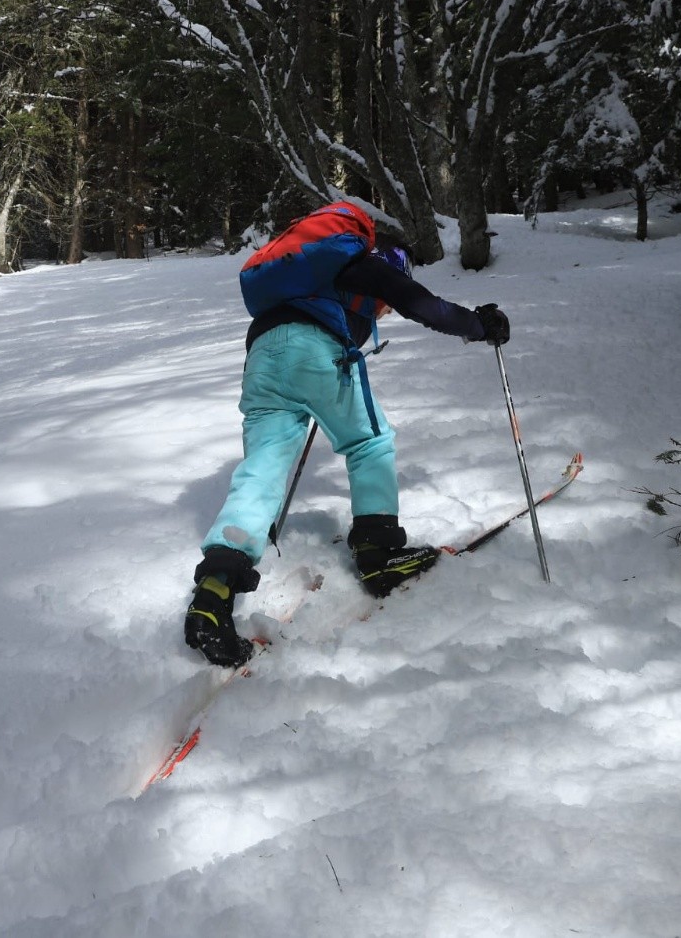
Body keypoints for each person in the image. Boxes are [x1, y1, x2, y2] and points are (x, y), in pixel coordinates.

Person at [184, 199, 510, 668]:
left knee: (263, 469)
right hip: (314, 349)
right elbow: (422, 305)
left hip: (261, 356)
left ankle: (214, 592)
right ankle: (379, 554)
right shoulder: (362, 261)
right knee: (368, 442)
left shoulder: (305, 271)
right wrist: (479, 325)